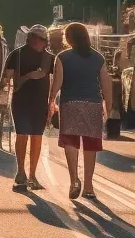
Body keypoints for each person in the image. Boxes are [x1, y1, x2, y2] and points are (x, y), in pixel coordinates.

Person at [48, 21, 112, 199]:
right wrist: (109, 107)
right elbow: (106, 86)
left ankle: (74, 180)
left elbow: (57, 83)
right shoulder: (98, 58)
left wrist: (51, 101)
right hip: (93, 104)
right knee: (90, 145)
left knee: (70, 142)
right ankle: (89, 187)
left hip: (70, 104)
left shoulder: (62, 57)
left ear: (68, 38)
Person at [0, 24, 53, 190]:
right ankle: (21, 172)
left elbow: (55, 80)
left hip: (39, 102)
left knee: (36, 138)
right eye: (38, 38)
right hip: (21, 100)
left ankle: (32, 175)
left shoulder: (48, 58)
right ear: (31, 38)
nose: (40, 42)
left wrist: (52, 101)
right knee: (22, 135)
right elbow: (6, 77)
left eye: (42, 39)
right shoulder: (17, 54)